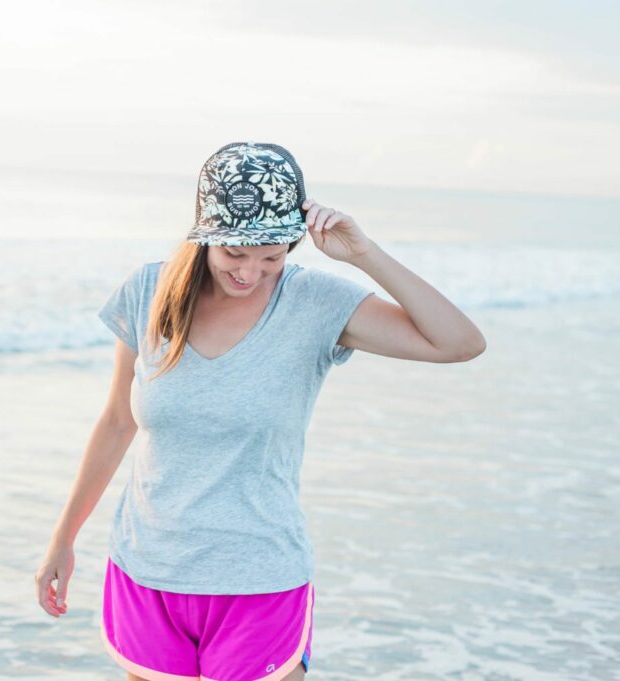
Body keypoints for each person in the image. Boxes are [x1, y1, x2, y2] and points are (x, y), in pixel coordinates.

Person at [35, 141, 487, 680]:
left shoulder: (316, 303)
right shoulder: (148, 292)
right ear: (204, 236)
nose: (250, 273)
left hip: (257, 578)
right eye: (235, 254)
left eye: (272, 257)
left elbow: (460, 343)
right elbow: (116, 423)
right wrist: (63, 539)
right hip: (149, 570)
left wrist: (365, 253)